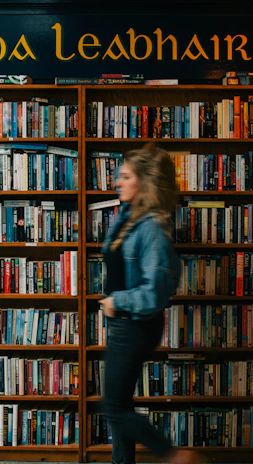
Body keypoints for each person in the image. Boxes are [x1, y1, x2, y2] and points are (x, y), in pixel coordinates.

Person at [99, 144, 201, 464]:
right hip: (122, 323)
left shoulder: (153, 228)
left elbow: (155, 293)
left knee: (113, 406)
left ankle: (174, 454)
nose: (117, 181)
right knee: (120, 406)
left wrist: (117, 300)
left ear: (144, 182)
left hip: (135, 325)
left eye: (126, 176)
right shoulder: (128, 215)